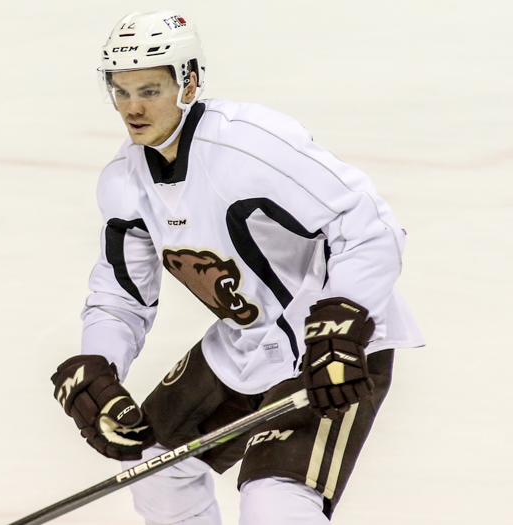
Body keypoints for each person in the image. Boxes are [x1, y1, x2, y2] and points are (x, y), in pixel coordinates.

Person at [50, 10, 424, 525]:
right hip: (246, 344)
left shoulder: (249, 143)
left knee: (275, 500)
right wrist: (100, 368)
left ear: (190, 81)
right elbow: (121, 297)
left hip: (331, 343)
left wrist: (345, 320)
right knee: (155, 465)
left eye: (150, 90)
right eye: (121, 91)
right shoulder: (124, 182)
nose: (132, 108)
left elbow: (369, 226)